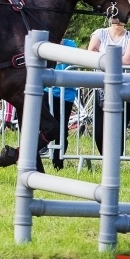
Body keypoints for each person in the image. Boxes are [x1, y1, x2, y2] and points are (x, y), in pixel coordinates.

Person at [88, 16, 130, 156]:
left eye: (121, 18)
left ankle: (115, 159)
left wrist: (103, 58)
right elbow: (91, 53)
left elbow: (128, 59)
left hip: (125, 86)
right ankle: (106, 158)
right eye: (115, 17)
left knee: (118, 127)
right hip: (101, 86)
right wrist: (117, 60)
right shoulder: (100, 33)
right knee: (99, 129)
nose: (118, 21)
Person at [48, 38, 78, 170]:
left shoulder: (71, 44)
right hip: (47, 91)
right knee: (45, 125)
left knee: (61, 129)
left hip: (66, 94)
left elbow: (74, 60)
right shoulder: (46, 42)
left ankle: (58, 164)